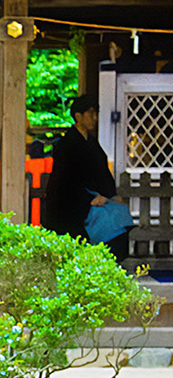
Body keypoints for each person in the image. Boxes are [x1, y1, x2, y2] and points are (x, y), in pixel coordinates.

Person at [45, 93, 128, 264]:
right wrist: (89, 198)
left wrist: (111, 195)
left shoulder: (91, 143)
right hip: (72, 205)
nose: (95, 118)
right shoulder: (66, 145)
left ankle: (112, 266)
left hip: (94, 200)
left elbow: (102, 173)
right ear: (78, 116)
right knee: (108, 224)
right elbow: (64, 182)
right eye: (91, 113)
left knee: (120, 215)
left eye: (95, 113)